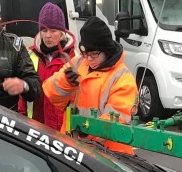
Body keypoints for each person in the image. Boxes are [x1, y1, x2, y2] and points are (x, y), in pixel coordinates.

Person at [42, 16, 137, 155]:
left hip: (111, 156)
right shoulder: (79, 62)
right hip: (74, 150)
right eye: (85, 53)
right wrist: (66, 82)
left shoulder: (123, 79)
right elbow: (50, 92)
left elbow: (116, 122)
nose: (89, 59)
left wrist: (87, 129)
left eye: (94, 54)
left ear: (107, 51)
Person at [19, 2, 75, 130]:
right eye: (44, 30)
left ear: (62, 32)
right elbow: (22, 97)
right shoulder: (29, 55)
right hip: (35, 129)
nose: (48, 35)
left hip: (64, 132)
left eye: (53, 30)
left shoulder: (74, 58)